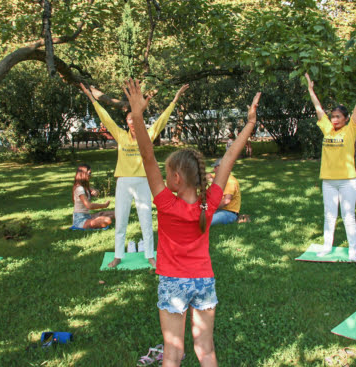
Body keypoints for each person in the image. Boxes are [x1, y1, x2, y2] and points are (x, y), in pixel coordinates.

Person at [124, 78, 261, 367]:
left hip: (173, 282)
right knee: (206, 351)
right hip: (203, 281)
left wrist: (137, 114)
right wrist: (249, 125)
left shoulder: (166, 204)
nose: (162, 173)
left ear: (175, 179)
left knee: (172, 353)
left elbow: (146, 156)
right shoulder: (209, 202)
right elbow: (228, 160)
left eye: (166, 172)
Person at [79, 83, 189, 268]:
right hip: (123, 182)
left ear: (139, 121)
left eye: (134, 120)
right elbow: (105, 119)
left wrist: (175, 100)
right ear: (127, 123)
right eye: (129, 121)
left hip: (143, 182)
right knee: (120, 220)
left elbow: (162, 120)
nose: (132, 123)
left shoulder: (148, 135)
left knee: (146, 220)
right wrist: (91, 98)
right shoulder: (121, 135)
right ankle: (118, 256)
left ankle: (149, 255)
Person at [305, 69, 356, 261]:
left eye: (338, 117)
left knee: (348, 215)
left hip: (347, 181)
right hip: (329, 181)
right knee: (329, 215)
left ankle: (353, 251)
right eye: (332, 116)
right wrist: (311, 91)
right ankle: (327, 247)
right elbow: (318, 109)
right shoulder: (327, 129)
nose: (334, 119)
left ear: (345, 119)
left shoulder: (350, 130)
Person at [72, 164, 115, 229]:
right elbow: (89, 206)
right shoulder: (79, 188)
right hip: (80, 220)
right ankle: (99, 219)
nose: (90, 175)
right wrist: (104, 205)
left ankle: (98, 219)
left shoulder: (85, 187)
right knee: (107, 220)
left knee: (115, 213)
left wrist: (96, 191)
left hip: (88, 216)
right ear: (83, 174)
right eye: (89, 173)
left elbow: (96, 191)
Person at [207, 158, 241, 226]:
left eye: (215, 167)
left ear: (222, 168)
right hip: (219, 210)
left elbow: (226, 201)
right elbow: (207, 175)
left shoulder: (230, 182)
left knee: (205, 221)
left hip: (229, 213)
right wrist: (211, 179)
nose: (214, 170)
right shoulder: (220, 178)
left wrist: (209, 207)